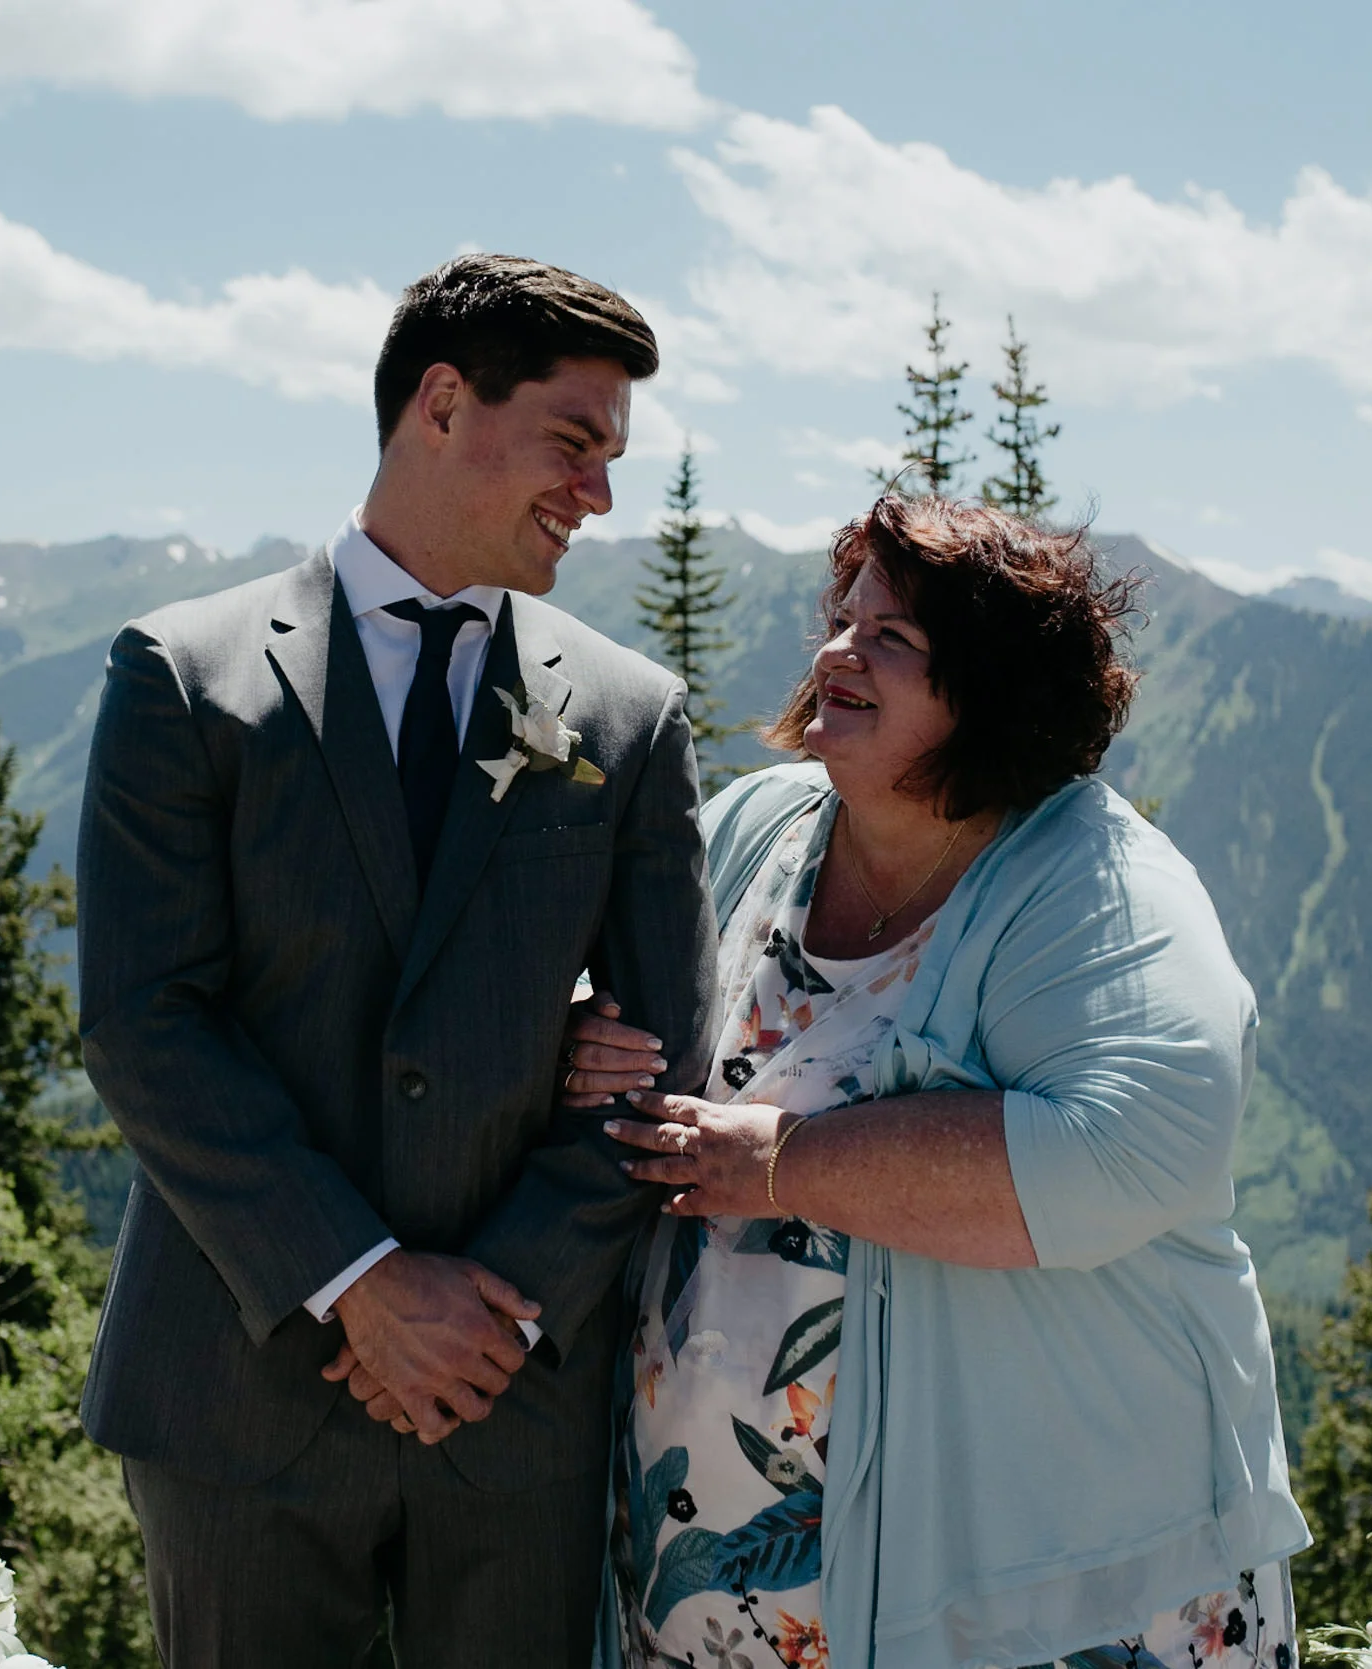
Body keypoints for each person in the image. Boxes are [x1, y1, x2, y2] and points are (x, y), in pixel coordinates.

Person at [74, 254, 720, 1668]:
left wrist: (492, 1310)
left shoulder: (627, 714)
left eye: (615, 458)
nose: (600, 493)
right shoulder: (187, 675)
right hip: (236, 1394)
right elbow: (142, 1022)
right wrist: (362, 1283)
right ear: (442, 402)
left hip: (517, 1405)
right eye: (574, 441)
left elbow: (666, 1063)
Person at [561, 494, 1309, 1669]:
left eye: (892, 642)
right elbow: (605, 986)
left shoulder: (1093, 887)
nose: (835, 653)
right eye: (844, 619)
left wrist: (781, 1163)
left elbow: (1133, 1149)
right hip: (729, 1593)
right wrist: (587, 1037)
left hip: (1039, 1606)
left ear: (996, 696)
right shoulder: (760, 826)